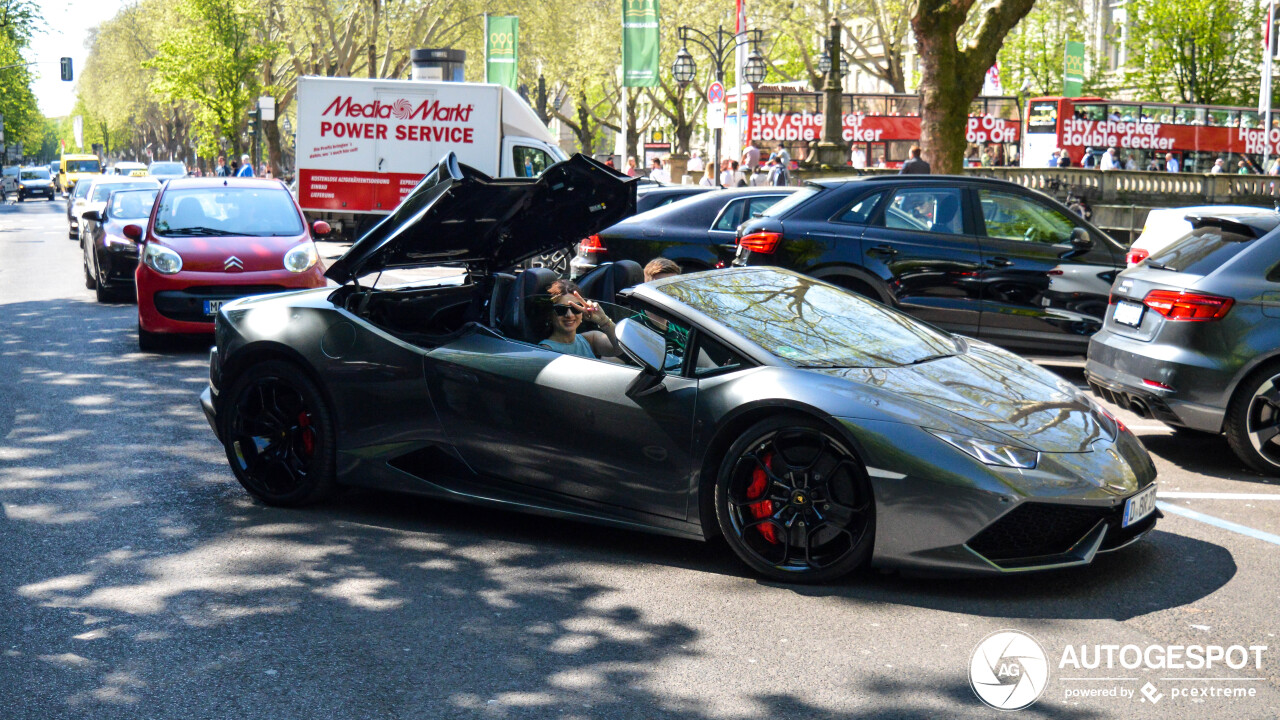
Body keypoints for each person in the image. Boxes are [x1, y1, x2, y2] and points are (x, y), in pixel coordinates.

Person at [538, 279, 619, 359]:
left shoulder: (590, 340)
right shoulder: (546, 350)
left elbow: (619, 349)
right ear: (550, 314)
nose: (569, 315)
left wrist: (603, 320)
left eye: (575, 308)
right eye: (561, 309)